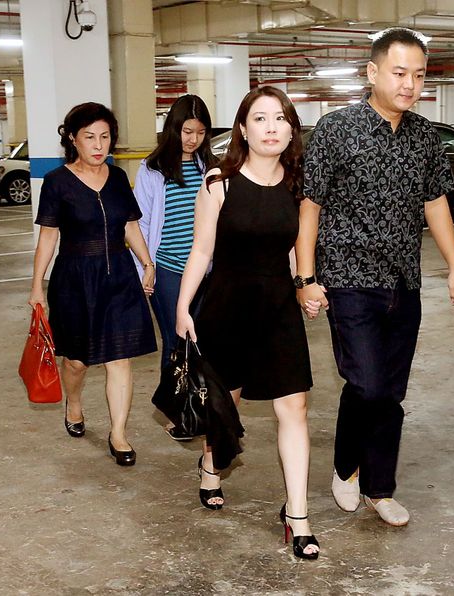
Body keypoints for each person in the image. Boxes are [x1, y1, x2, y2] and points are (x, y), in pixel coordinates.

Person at [296, 27, 454, 527]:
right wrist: (306, 277)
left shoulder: (424, 136)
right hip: (348, 278)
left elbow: (435, 202)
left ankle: (379, 487)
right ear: (372, 73)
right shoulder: (336, 129)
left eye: (418, 75)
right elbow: (311, 206)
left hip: (404, 282)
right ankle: (346, 467)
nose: (410, 84)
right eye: (399, 73)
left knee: (390, 392)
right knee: (367, 384)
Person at [175, 86, 320, 560]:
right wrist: (183, 308)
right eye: (260, 119)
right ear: (243, 129)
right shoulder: (220, 181)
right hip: (228, 304)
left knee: (294, 407)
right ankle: (210, 466)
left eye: (281, 118)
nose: (271, 127)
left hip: (277, 305)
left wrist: (306, 284)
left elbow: (300, 246)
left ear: (291, 129)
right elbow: (202, 250)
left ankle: (296, 515)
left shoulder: (299, 184)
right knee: (227, 404)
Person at [28, 102, 157, 467]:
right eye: (89, 137)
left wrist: (147, 263)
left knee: (120, 360)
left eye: (105, 136)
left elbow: (130, 224)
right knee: (77, 362)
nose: (99, 145)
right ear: (73, 139)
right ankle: (75, 402)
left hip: (119, 275)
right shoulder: (57, 182)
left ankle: (118, 433)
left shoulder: (116, 178)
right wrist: (37, 285)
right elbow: (48, 238)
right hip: (75, 279)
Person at [133, 95, 217, 441]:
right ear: (173, 129)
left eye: (199, 132)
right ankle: (178, 411)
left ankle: (199, 405)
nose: (192, 139)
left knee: (202, 341)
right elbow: (138, 221)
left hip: (205, 272)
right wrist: (146, 267)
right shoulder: (152, 169)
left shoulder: (210, 167)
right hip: (167, 269)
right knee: (175, 340)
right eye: (186, 131)